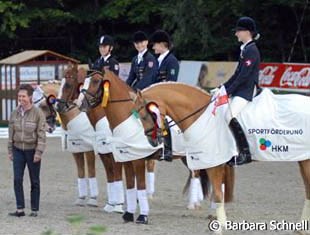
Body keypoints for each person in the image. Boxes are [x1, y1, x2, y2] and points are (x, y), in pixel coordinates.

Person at [222, 16, 261, 166]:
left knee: (229, 115)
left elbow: (244, 77)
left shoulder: (251, 50)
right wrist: (223, 88)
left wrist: (229, 91)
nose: (236, 34)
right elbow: (237, 74)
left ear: (247, 32)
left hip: (247, 90)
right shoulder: (245, 49)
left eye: (238, 31)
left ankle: (245, 152)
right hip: (241, 88)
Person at [8, 84, 46, 217]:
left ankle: (34, 209)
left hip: (32, 151)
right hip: (18, 150)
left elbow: (41, 134)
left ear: (30, 97)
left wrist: (39, 152)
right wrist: (10, 150)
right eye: (19, 96)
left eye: (23, 96)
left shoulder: (38, 113)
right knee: (17, 179)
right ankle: (20, 209)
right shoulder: (14, 113)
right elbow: (11, 133)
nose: (21, 99)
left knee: (34, 180)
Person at [150, 30, 180, 161]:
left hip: (167, 97)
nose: (153, 47)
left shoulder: (172, 61)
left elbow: (171, 82)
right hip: (157, 96)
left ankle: (167, 148)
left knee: (163, 117)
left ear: (163, 44)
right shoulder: (158, 60)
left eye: (155, 44)